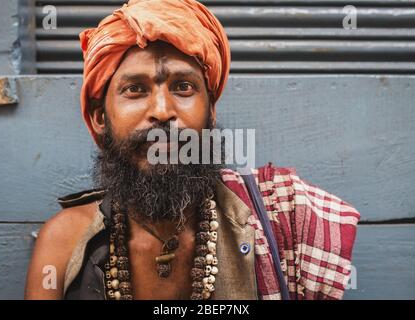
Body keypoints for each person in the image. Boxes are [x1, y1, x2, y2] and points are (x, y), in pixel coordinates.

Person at [25, 0, 360, 300]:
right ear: (100, 118)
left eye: (183, 87)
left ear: (210, 112)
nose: (162, 110)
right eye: (135, 89)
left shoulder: (283, 218)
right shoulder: (65, 243)